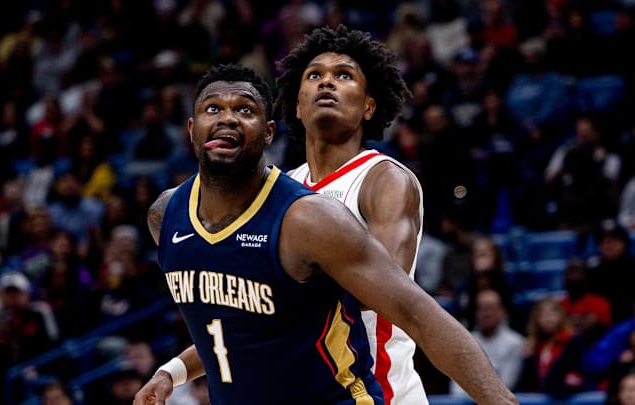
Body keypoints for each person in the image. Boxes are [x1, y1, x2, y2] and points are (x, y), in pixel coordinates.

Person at [133, 64, 516, 404]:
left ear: (269, 132)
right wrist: (172, 371)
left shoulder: (324, 210)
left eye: (244, 110)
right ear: (190, 128)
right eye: (213, 109)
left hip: (378, 384)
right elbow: (242, 323)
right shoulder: (166, 216)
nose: (227, 119)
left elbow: (411, 309)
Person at [276, 24, 424, 404]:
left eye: (343, 75)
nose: (327, 83)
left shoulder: (384, 180)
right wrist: (172, 371)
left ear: (369, 106)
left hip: (383, 394)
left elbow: (384, 290)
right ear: (297, 103)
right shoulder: (278, 189)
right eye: (315, 76)